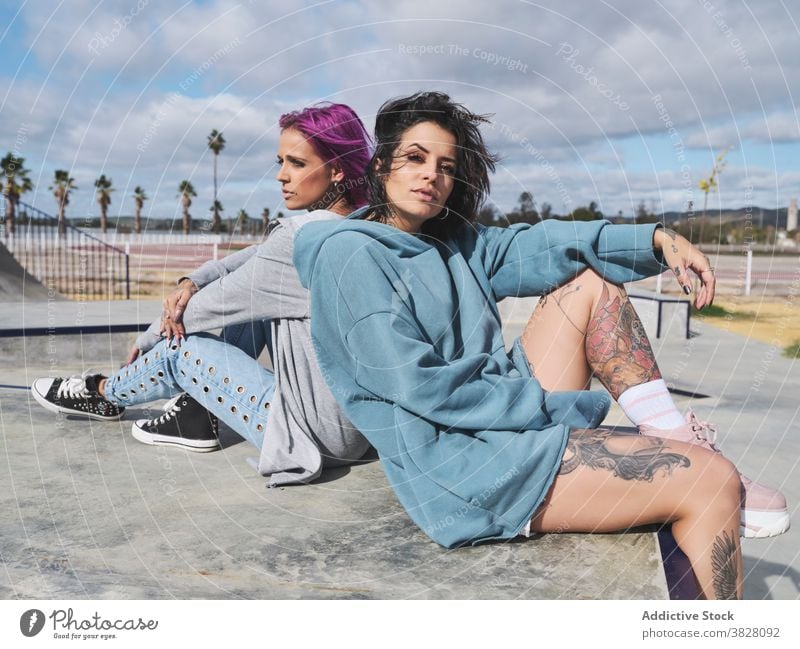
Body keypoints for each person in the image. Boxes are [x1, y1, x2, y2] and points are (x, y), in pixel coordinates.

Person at [293, 91, 789, 599]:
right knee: (711, 481)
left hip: (495, 419)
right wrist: (552, 409)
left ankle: (675, 433)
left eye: (445, 166)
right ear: (380, 166)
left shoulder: (450, 241)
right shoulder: (348, 258)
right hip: (461, 464)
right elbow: (422, 390)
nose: (431, 176)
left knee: (591, 285)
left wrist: (658, 240)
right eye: (414, 158)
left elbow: (542, 244)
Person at [31, 102, 372, 486]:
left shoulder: (297, 242)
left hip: (315, 434)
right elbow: (249, 261)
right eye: (280, 162)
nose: (281, 176)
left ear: (337, 169)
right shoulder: (360, 225)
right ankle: (198, 417)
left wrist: (145, 343)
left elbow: (197, 314)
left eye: (296, 163)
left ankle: (103, 393)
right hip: (358, 426)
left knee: (180, 349)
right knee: (253, 309)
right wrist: (190, 281)